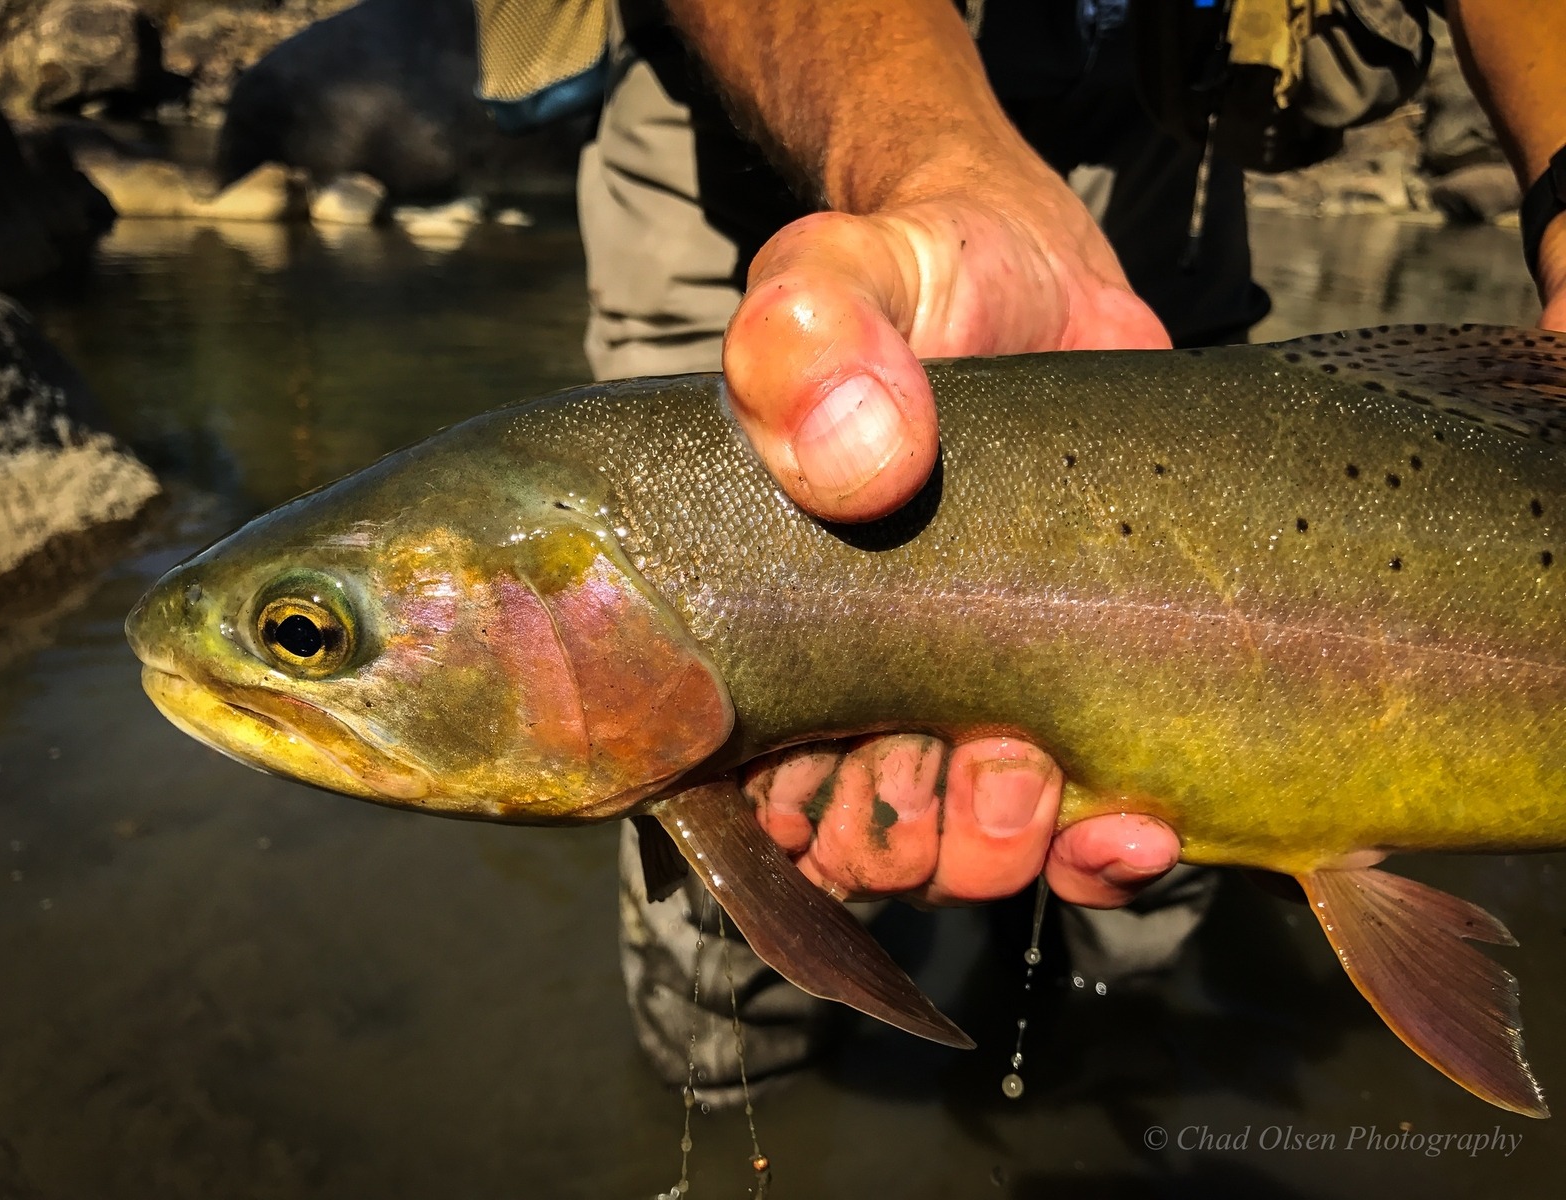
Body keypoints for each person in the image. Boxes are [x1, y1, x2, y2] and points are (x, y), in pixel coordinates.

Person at [488, 0, 1566, 1094]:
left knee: (1159, 859)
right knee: (727, 936)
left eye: (300, 637)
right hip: (762, 149)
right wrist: (941, 164)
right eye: (298, 635)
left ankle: (1113, 1059)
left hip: (1162, 146)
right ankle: (741, 1089)